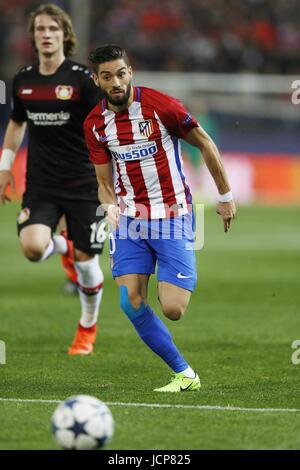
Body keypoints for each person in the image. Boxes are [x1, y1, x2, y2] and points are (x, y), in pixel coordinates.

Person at [84, 44, 236, 392]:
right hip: (130, 221)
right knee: (130, 300)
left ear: (130, 72)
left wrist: (225, 196)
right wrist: (108, 205)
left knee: (172, 309)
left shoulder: (161, 106)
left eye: (121, 73)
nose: (116, 82)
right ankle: (184, 373)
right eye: (107, 76)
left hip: (173, 215)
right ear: (97, 80)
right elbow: (104, 183)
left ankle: (171, 278)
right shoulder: (95, 125)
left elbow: (206, 144)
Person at [0, 4, 106, 355]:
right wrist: (5, 167)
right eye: (40, 29)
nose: (46, 34)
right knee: (32, 248)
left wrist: (113, 179)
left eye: (53, 29)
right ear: (33, 36)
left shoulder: (81, 79)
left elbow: (103, 125)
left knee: (86, 262)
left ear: (65, 35)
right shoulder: (24, 79)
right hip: (42, 184)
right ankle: (62, 244)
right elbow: (16, 123)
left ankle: (87, 329)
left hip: (83, 184)